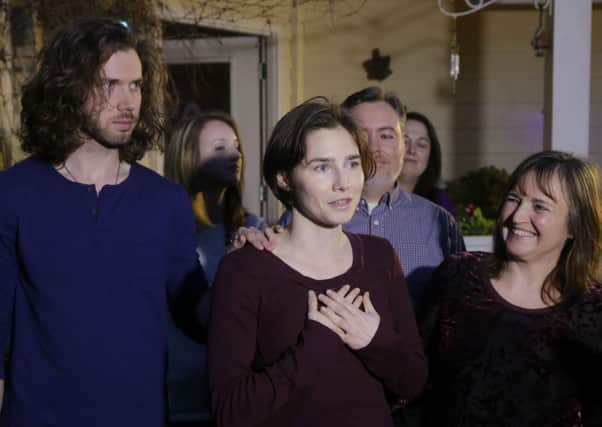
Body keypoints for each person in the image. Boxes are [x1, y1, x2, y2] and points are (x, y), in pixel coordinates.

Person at [0, 17, 205, 427]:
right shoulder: (13, 193)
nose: (128, 101)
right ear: (69, 88)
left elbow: (197, 313)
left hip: (139, 416)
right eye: (109, 84)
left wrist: (253, 268)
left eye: (135, 85)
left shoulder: (165, 201)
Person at [208, 100, 427, 427]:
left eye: (352, 163)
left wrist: (375, 341)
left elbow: (413, 381)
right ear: (284, 177)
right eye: (322, 167)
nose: (344, 182)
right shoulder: (244, 270)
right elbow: (230, 412)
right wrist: (316, 345)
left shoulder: (380, 256)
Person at [236, 87, 465, 308]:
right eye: (363, 134)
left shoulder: (439, 222)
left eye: (386, 135)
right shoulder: (305, 218)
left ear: (403, 144)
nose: (374, 147)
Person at [419, 151, 602, 426]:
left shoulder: (592, 310)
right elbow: (414, 378)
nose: (517, 216)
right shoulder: (458, 275)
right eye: (514, 199)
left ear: (575, 226)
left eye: (540, 206)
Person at [164, 111, 264, 425]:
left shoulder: (252, 225)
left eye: (236, 146)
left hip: (241, 399)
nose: (235, 154)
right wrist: (234, 266)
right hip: (183, 400)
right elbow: (195, 316)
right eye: (219, 147)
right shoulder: (167, 230)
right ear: (188, 157)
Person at [399, 111, 456, 217]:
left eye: (421, 145)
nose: (412, 150)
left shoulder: (440, 204)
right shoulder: (370, 198)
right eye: (405, 142)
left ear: (430, 156)